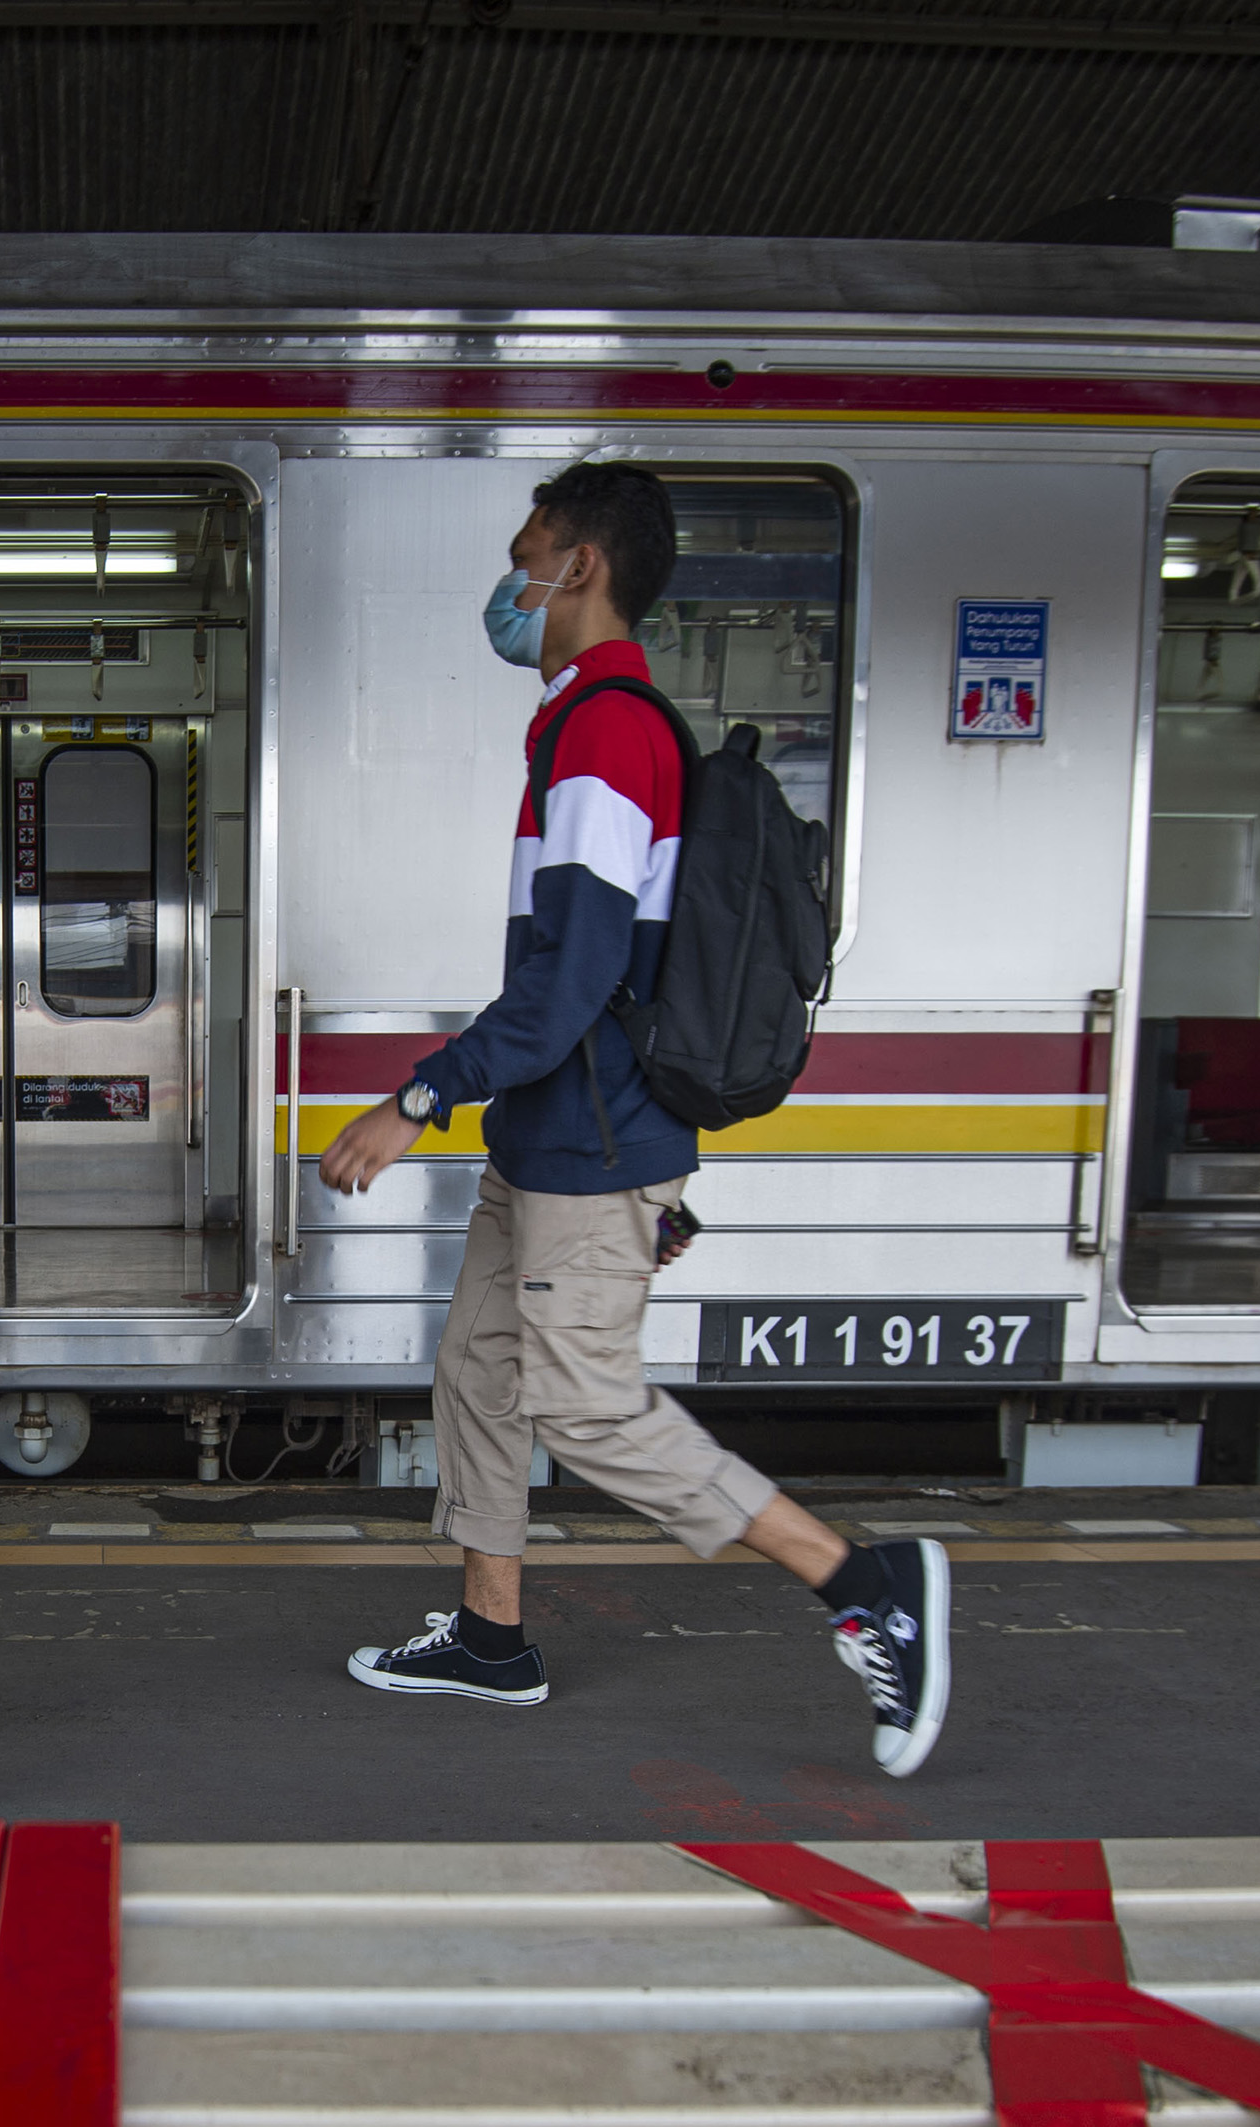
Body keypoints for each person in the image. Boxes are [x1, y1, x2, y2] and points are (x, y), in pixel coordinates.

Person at [316, 460, 953, 1776]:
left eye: (526, 550)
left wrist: (415, 1099)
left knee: (589, 1405)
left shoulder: (608, 731)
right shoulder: (582, 724)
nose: (511, 581)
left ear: (579, 566)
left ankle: (864, 1583)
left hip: (588, 1148)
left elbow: (574, 982)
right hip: (559, 1142)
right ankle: (493, 1641)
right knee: (480, 1377)